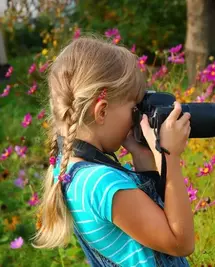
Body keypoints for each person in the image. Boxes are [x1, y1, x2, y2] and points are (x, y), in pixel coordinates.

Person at [32, 36, 194, 266]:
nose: (137, 117)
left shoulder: (71, 169)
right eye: (133, 108)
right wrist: (170, 157)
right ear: (102, 111)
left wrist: (143, 158)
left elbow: (149, 225)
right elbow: (182, 243)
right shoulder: (102, 182)